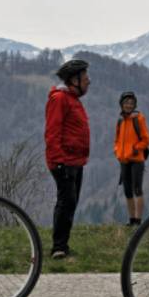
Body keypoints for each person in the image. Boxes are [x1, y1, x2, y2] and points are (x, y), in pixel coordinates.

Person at [44, 59, 91, 259]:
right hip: (64, 162)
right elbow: (52, 132)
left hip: (75, 161)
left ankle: (63, 245)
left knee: (70, 202)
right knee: (66, 202)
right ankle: (58, 247)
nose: (89, 81)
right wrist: (59, 161)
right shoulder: (60, 99)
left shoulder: (72, 98)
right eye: (86, 77)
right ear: (74, 79)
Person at [113, 91, 149, 226]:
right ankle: (132, 220)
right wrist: (117, 152)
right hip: (124, 160)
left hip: (136, 160)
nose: (129, 105)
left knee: (137, 189)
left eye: (131, 103)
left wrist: (135, 149)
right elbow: (117, 140)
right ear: (121, 105)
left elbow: (146, 140)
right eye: (126, 103)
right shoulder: (120, 121)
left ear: (134, 105)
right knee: (127, 191)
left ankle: (138, 220)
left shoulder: (138, 118)